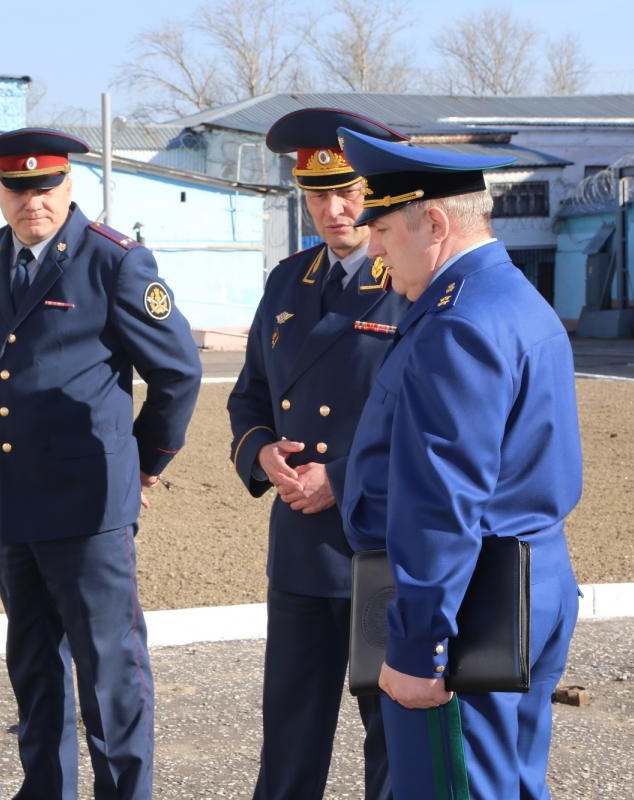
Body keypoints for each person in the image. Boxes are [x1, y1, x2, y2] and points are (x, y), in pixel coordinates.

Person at [337, 126, 583, 799]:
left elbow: (443, 500)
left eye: (383, 228)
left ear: (434, 223)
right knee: (507, 783)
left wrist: (419, 647)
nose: (376, 249)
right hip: (525, 578)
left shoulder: (459, 322)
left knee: (453, 788)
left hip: (470, 601)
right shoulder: (511, 299)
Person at [0, 127, 202, 800]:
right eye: (17, 187)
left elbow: (179, 372)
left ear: (70, 187)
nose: (31, 201)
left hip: (89, 505)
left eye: (45, 187)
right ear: (0, 191)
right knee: (33, 667)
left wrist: (143, 464)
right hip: (12, 502)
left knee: (110, 674)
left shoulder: (113, 262)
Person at [227, 108, 410, 800]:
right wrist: (261, 454)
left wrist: (340, 477)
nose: (334, 210)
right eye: (316, 194)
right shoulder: (287, 282)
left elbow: (428, 425)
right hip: (302, 547)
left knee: (390, 739)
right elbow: (248, 396)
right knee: (291, 737)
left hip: (380, 543)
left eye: (350, 191)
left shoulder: (409, 282)